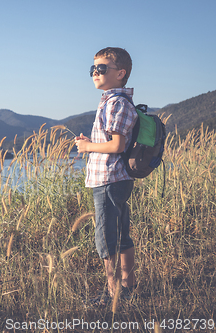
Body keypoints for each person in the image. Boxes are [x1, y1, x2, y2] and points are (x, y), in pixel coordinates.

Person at [75, 47, 138, 306]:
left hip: (109, 180)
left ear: (121, 73)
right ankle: (127, 288)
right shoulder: (110, 102)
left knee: (106, 236)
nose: (95, 73)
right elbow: (111, 142)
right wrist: (91, 142)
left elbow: (117, 146)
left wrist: (88, 147)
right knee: (121, 233)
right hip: (114, 178)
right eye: (93, 69)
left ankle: (113, 294)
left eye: (102, 68)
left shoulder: (116, 104)